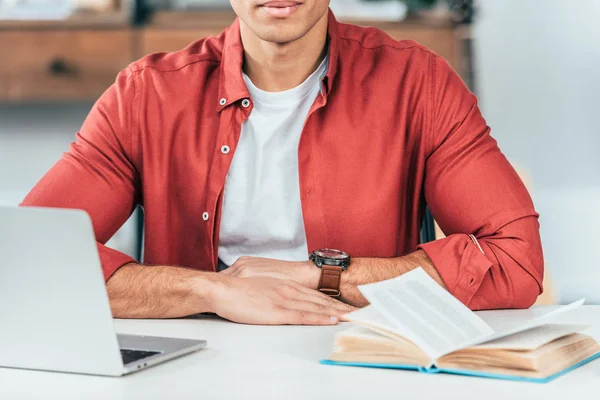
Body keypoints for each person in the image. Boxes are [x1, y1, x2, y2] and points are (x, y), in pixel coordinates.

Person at [21, 0, 544, 325]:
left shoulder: (420, 84)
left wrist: (319, 278)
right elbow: (25, 259)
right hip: (194, 368)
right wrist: (210, 289)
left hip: (363, 361)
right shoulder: (145, 95)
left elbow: (516, 263)